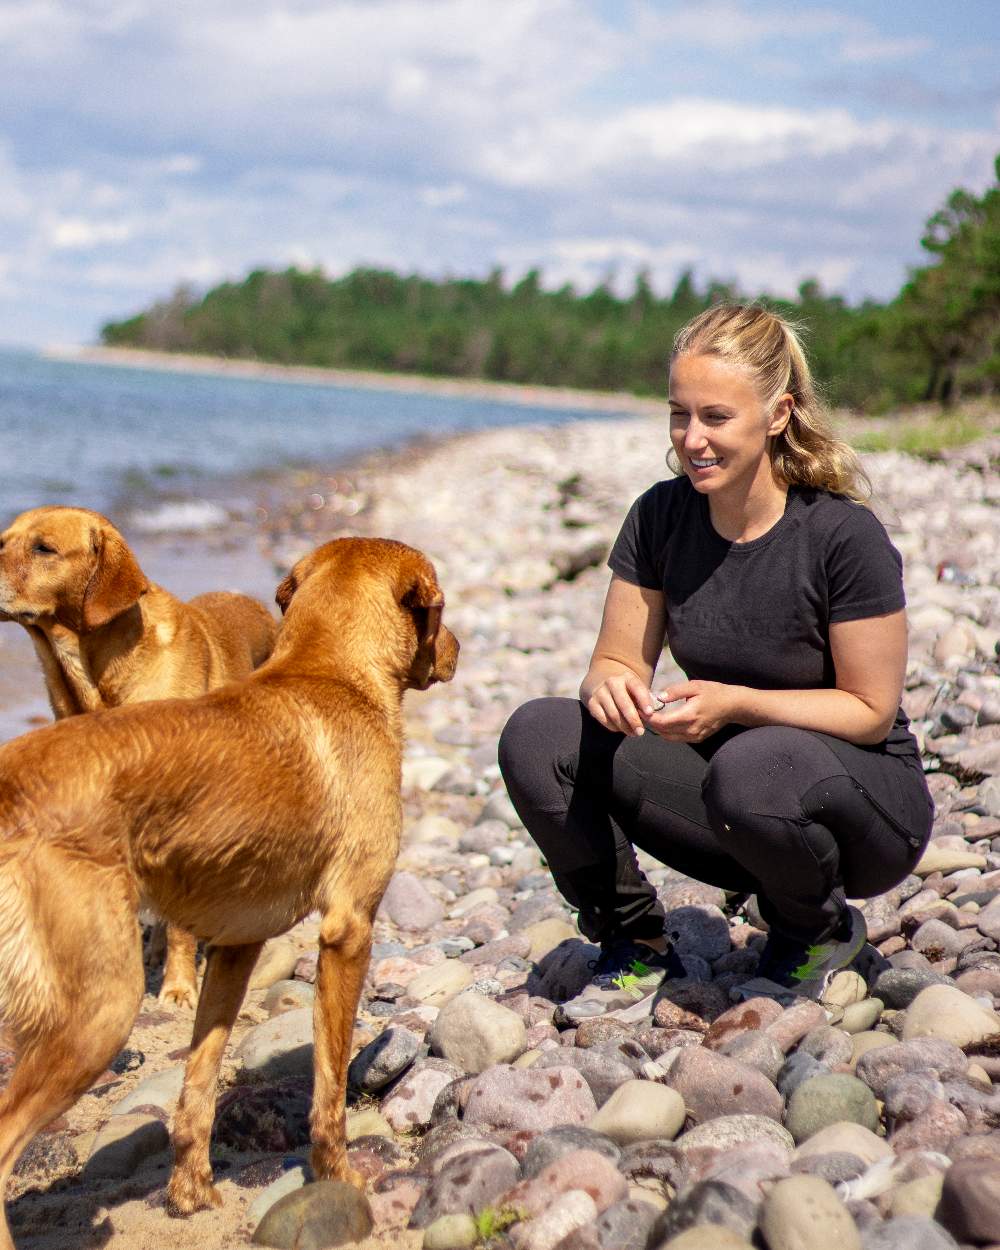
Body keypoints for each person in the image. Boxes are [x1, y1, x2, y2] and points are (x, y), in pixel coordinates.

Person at [498, 303, 934, 1023]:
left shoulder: (841, 535)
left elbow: (869, 710)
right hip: (732, 804)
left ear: (777, 414)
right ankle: (633, 939)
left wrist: (735, 703)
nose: (691, 439)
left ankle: (816, 930)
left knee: (750, 766)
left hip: (864, 809)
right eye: (679, 415)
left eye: (715, 417)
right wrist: (611, 688)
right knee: (539, 736)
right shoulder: (660, 516)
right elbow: (614, 660)